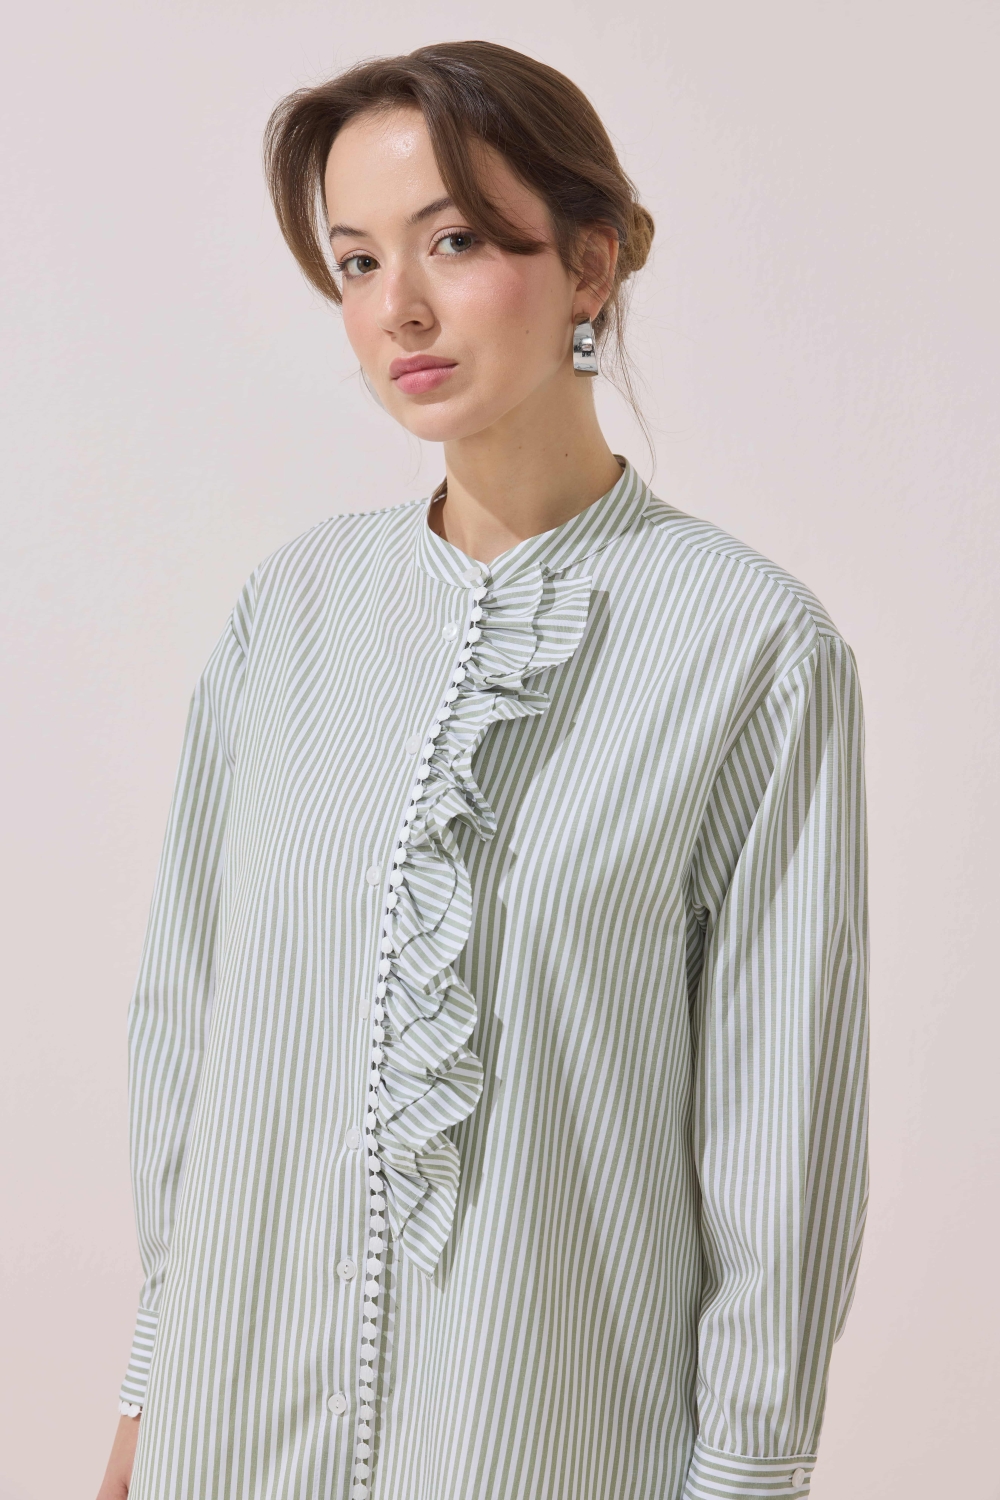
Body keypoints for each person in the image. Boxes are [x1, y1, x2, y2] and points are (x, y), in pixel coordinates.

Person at [97, 40, 869, 1500]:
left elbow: (782, 1144)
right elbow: (190, 1027)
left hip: (549, 1445)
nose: (398, 307)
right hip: (233, 1432)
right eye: (356, 261)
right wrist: (151, 1387)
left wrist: (749, 1477)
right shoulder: (292, 613)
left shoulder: (752, 649)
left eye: (452, 241)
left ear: (590, 265)